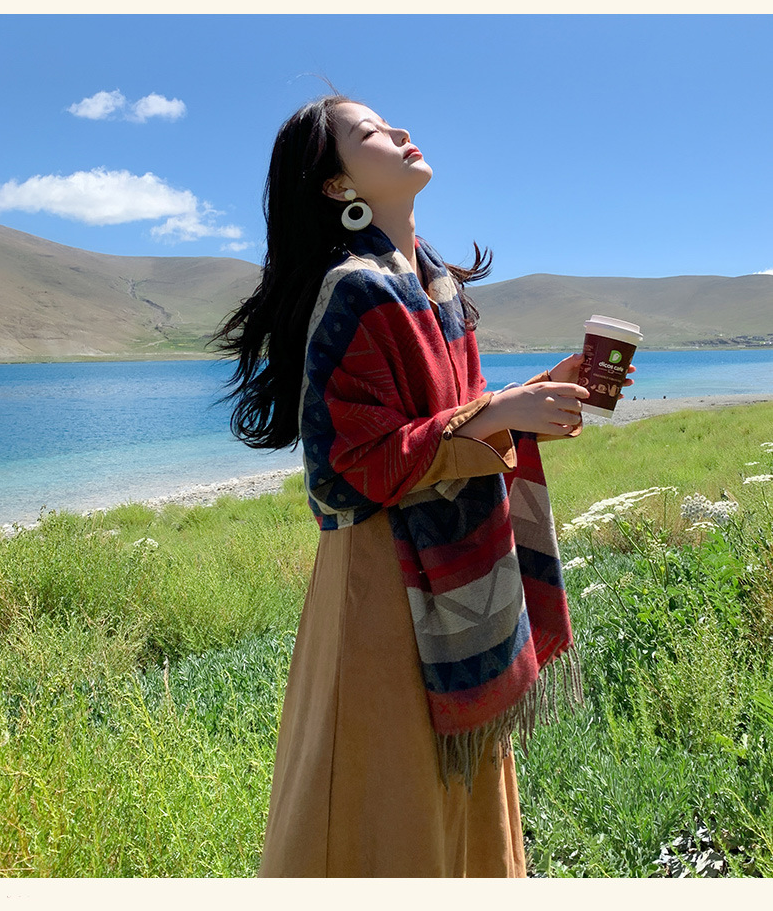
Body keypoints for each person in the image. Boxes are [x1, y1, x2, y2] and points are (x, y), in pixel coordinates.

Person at [214, 93, 633, 877]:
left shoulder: (436, 285)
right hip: (382, 587)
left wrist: (538, 396)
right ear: (337, 186)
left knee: (451, 800)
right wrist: (496, 413)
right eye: (371, 133)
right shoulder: (354, 289)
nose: (401, 132)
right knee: (382, 806)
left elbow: (454, 420)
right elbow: (348, 468)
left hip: (452, 578)